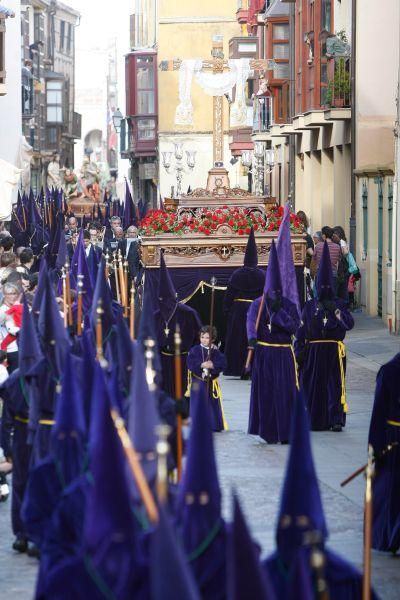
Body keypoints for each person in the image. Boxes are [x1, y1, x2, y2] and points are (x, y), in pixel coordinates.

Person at [295, 241, 354, 432]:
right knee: (314, 385)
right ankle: (315, 419)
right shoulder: (310, 306)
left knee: (334, 385)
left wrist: (336, 310)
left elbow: (349, 324)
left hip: (334, 351)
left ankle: (335, 418)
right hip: (314, 351)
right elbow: (301, 331)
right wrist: (299, 353)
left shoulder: (339, 303)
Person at [247, 241, 300, 444]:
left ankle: (286, 431)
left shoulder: (288, 305)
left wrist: (278, 313)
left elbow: (295, 327)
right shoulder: (257, 305)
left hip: (283, 353)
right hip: (264, 354)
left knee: (285, 393)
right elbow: (251, 322)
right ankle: (268, 431)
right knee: (267, 392)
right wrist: (252, 337)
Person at [368, 352, 400, 554]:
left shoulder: (388, 371)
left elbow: (378, 415)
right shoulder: (389, 371)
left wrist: (373, 449)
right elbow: (379, 414)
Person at [223, 228, 265, 377]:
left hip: (238, 310)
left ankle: (236, 367)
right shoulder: (262, 275)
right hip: (255, 310)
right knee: (251, 337)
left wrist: (227, 310)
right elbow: (264, 295)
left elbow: (229, 295)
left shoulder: (237, 274)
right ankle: (251, 366)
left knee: (237, 339)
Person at [187, 325, 227, 432]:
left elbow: (223, 364)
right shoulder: (194, 350)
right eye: (202, 337)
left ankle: (213, 424)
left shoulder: (215, 352)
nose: (204, 340)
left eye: (207, 338)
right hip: (198, 382)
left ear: (212, 339)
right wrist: (201, 365)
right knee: (197, 404)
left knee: (211, 405)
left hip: (211, 383)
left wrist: (212, 366)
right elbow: (190, 363)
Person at [0, 282, 23, 373]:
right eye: (10, 294)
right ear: (4, 295)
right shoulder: (3, 310)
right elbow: (12, 330)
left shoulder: (18, 307)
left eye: (15, 293)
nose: (13, 296)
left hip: (21, 346)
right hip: (11, 350)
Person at [311, 226, 342, 292]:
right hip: (333, 274)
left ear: (324, 236)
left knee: (320, 298)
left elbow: (313, 260)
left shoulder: (318, 246)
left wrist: (312, 273)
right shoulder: (337, 247)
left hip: (320, 274)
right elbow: (338, 261)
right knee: (332, 297)